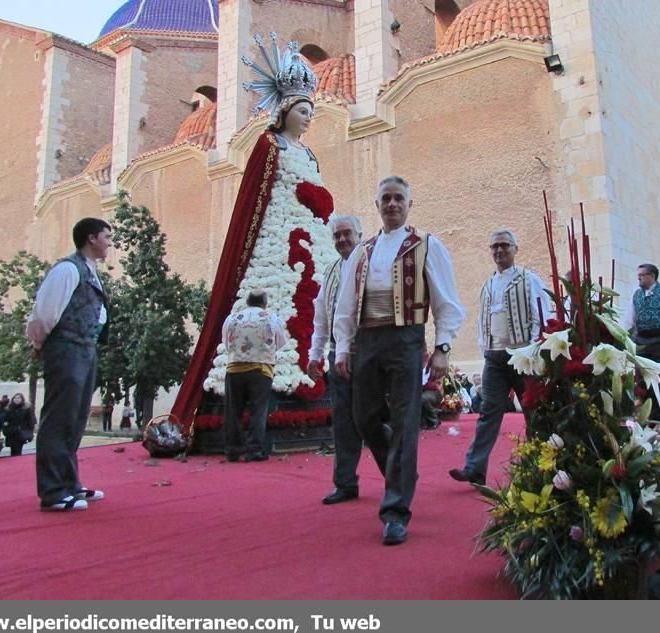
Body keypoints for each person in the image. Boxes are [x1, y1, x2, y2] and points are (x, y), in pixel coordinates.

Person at [171, 35, 333, 431]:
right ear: (285, 110)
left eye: (311, 109)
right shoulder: (269, 145)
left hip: (312, 240)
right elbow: (257, 199)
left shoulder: (308, 154)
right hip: (274, 247)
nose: (308, 117)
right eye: (302, 109)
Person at [334, 175, 465, 546]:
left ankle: (395, 512)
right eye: (386, 199)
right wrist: (343, 347)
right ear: (377, 206)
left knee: (405, 420)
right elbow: (345, 306)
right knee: (364, 418)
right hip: (368, 340)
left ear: (409, 205)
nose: (392, 204)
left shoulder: (426, 246)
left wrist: (442, 348)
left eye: (399, 199)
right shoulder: (362, 251)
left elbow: (446, 302)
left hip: (407, 339)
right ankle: (400, 467)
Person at [449, 229, 548, 487]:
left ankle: (544, 463)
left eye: (504, 245)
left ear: (516, 249)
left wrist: (534, 350)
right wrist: (484, 349)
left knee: (533, 412)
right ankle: (474, 468)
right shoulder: (487, 284)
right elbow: (483, 322)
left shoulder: (529, 279)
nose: (499, 251)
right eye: (494, 246)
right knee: (487, 412)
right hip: (494, 358)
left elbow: (541, 315)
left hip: (522, 356)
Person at [27, 217, 111, 511]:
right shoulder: (67, 269)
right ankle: (52, 491)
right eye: (107, 237)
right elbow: (45, 312)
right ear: (91, 238)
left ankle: (69, 483)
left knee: (75, 418)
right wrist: (38, 343)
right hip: (65, 348)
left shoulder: (91, 272)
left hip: (85, 348)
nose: (109, 243)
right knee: (59, 417)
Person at [308, 215, 383, 503]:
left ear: (359, 234)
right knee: (342, 422)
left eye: (346, 234)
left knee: (370, 419)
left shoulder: (374, 267)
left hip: (368, 354)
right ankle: (345, 483)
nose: (342, 239)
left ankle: (396, 477)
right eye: (337, 235)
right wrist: (315, 355)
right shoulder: (329, 272)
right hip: (337, 356)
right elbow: (321, 319)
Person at [222, 289, 287, 462]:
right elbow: (280, 342)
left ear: (248, 302)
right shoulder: (271, 318)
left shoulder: (233, 318)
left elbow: (226, 343)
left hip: (235, 369)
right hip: (260, 370)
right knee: (258, 411)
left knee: (233, 411)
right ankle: (254, 450)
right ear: (265, 303)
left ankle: (232, 450)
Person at [620, 263, 660, 426]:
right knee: (643, 381)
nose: (639, 278)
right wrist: (621, 336)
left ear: (652, 276)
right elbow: (629, 318)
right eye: (638, 275)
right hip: (641, 342)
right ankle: (650, 417)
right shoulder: (636, 295)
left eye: (642, 274)